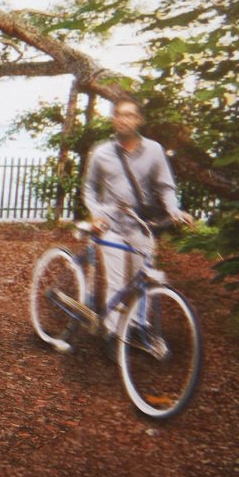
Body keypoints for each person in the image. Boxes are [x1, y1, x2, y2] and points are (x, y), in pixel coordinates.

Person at [83, 96, 193, 333]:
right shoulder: (101, 152)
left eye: (129, 115)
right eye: (119, 114)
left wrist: (174, 210)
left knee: (141, 281)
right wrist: (95, 214)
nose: (123, 119)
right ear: (113, 119)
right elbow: (89, 188)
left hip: (141, 225)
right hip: (109, 225)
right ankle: (112, 334)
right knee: (116, 281)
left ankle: (135, 327)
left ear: (139, 120)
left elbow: (165, 186)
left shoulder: (154, 150)